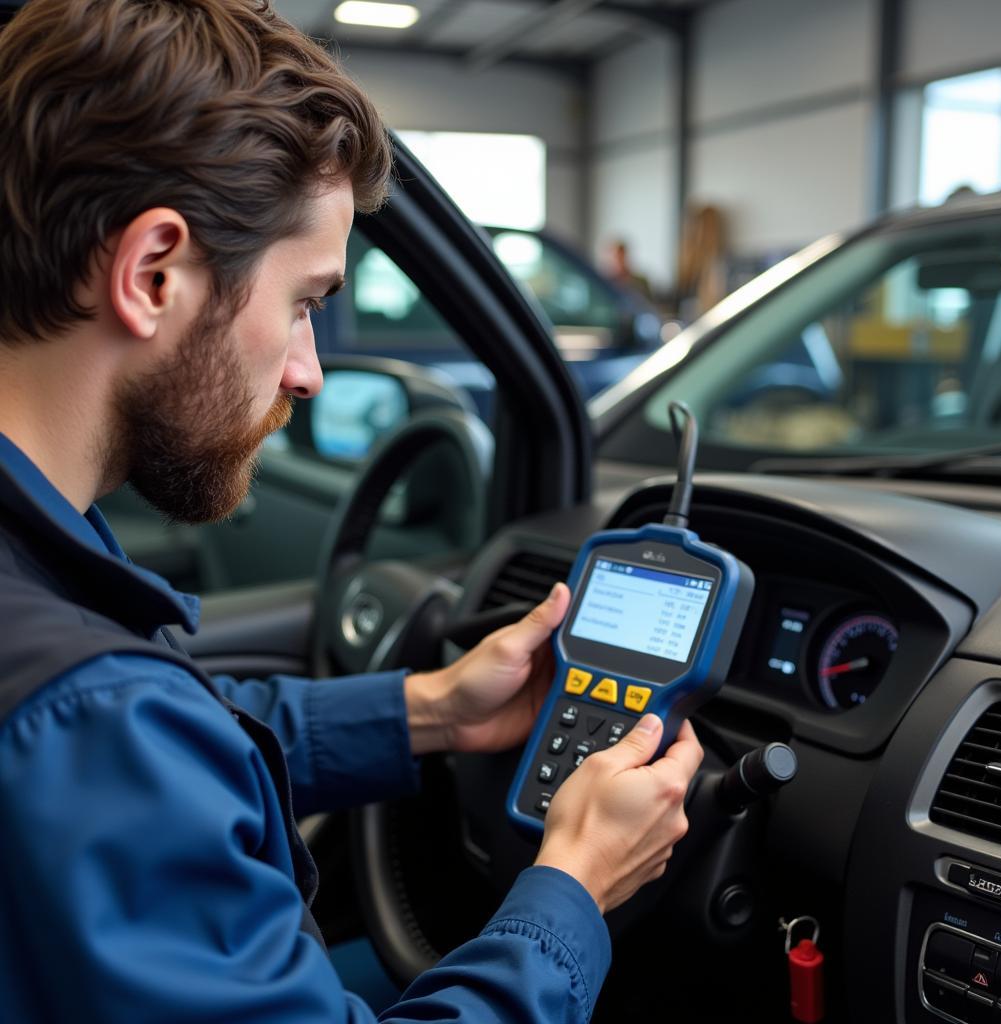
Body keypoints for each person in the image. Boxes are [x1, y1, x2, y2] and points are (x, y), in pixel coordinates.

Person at [0, 2, 704, 1022]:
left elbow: (173, 740)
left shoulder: (57, 625)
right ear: (153, 273)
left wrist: (429, 709)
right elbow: (123, 737)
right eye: (302, 302)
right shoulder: (89, 717)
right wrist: (573, 891)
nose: (309, 370)